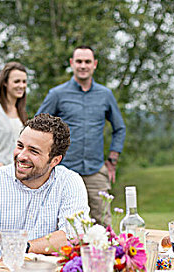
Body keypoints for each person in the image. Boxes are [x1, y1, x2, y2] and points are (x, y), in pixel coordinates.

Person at [0, 114, 89, 269]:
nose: (21, 156)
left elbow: (74, 236)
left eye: (33, 151)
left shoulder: (69, 182)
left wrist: (22, 248)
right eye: (20, 146)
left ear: (54, 161)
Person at [36, 46, 126, 226]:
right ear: (72, 64)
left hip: (95, 170)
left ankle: (102, 255)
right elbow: (38, 127)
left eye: (87, 62)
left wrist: (112, 160)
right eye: (79, 61)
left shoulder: (105, 95)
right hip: (64, 169)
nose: (83, 65)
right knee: (64, 224)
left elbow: (120, 128)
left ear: (95, 65)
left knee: (104, 225)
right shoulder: (57, 94)